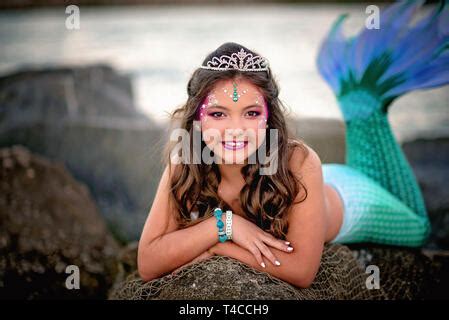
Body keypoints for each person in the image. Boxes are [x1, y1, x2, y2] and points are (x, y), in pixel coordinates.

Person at [137, 1, 448, 288]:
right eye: (218, 113)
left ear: (269, 117)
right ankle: (361, 98)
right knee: (364, 114)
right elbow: (148, 263)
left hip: (355, 199)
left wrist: (219, 246)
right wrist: (225, 226)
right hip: (322, 186)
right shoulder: (185, 162)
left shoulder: (299, 161)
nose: (235, 130)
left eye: (251, 113)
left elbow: (300, 271)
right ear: (198, 119)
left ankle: (364, 102)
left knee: (419, 227)